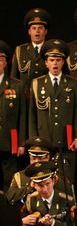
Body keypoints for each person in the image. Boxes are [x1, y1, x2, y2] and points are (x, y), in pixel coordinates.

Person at [28, 39, 77, 183]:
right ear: (46, 62)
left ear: (63, 62)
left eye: (58, 60)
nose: (55, 63)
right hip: (44, 141)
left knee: (67, 180)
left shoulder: (73, 83)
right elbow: (32, 115)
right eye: (52, 60)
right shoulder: (37, 84)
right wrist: (34, 141)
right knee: (43, 179)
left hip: (67, 142)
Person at [0, 40, 26, 190]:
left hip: (9, 141)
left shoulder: (17, 85)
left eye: (0, 59)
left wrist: (22, 142)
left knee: (9, 180)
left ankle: (8, 209)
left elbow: (22, 116)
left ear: (5, 62)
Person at [21, 161, 75, 226]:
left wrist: (53, 223)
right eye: (40, 185)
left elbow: (73, 224)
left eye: (47, 184)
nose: (45, 189)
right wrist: (23, 221)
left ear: (53, 181)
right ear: (34, 185)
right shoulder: (31, 200)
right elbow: (23, 219)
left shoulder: (66, 200)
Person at [10, 8, 51, 86]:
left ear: (45, 31)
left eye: (40, 28)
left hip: (46, 96)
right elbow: (13, 79)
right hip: (25, 96)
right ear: (29, 31)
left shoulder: (51, 50)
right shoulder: (20, 51)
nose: (37, 31)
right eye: (34, 28)